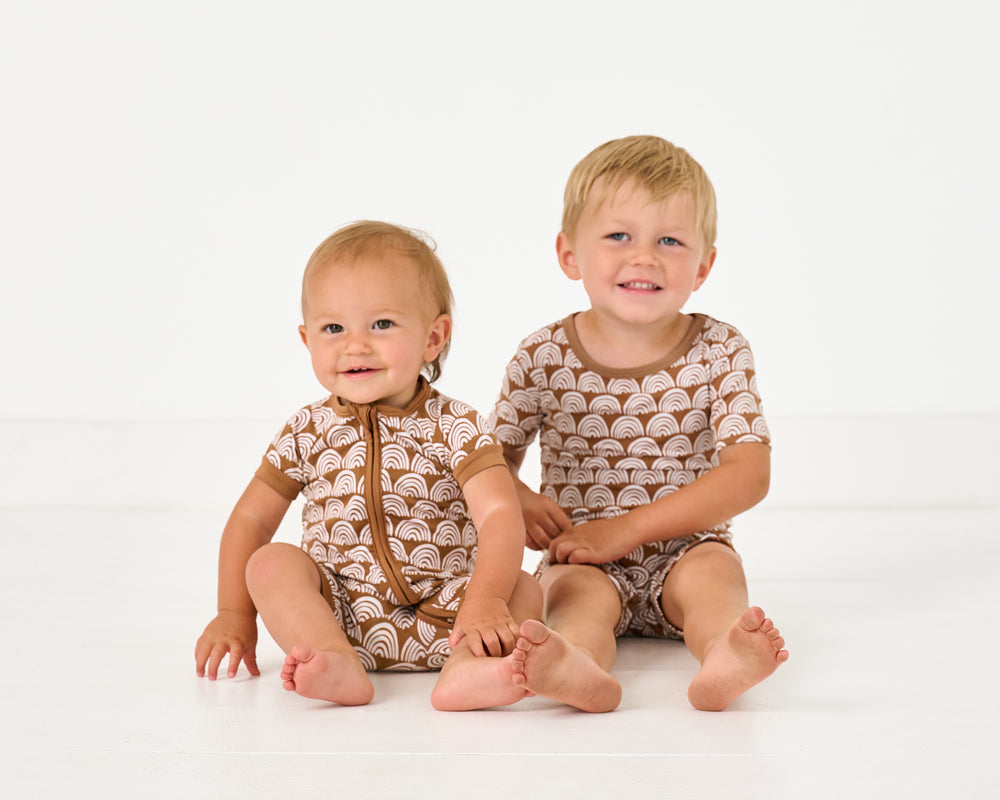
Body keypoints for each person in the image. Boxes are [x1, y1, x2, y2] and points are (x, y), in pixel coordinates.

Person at [491, 135, 789, 712]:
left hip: (691, 547)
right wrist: (520, 497)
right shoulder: (542, 355)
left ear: (703, 266)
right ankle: (574, 664)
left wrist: (626, 530)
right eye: (618, 236)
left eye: (670, 241)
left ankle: (725, 655)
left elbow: (748, 475)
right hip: (581, 554)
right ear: (569, 254)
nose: (644, 257)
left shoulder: (719, 349)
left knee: (713, 588)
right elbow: (485, 463)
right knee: (573, 604)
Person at [195, 220, 542, 711]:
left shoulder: (457, 425)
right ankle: (333, 662)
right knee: (270, 562)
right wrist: (233, 614)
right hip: (338, 614)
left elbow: (499, 516)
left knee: (525, 589)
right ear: (306, 339)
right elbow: (251, 519)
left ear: (433, 337)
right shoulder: (307, 430)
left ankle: (467, 670)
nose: (355, 345)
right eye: (333, 328)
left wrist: (484, 600)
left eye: (381, 324)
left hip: (451, 614)